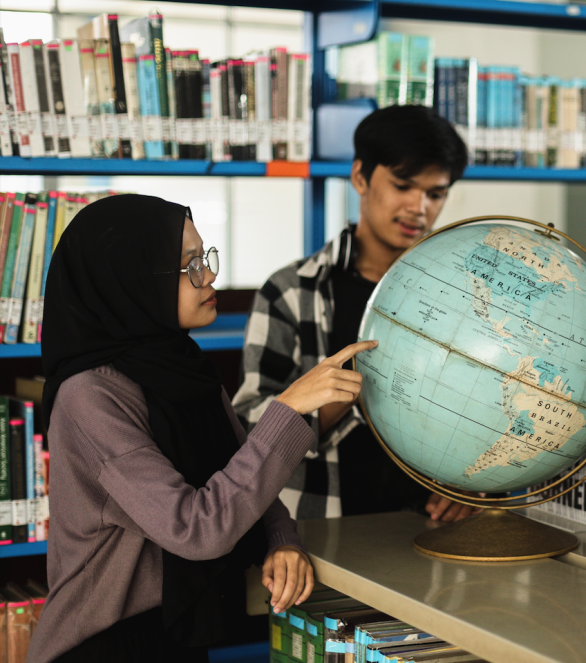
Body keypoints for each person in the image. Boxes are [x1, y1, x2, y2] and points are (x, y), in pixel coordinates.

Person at [30, 195, 375, 663]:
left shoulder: (182, 366)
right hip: (107, 644)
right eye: (189, 266)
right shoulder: (89, 399)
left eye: (205, 257)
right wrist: (289, 408)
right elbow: (197, 529)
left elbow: (243, 477)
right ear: (132, 284)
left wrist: (281, 539)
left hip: (177, 629)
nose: (209, 275)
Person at [233, 104, 474, 522]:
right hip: (321, 531)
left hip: (432, 528)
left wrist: (472, 484)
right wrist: (337, 396)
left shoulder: (471, 296)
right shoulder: (291, 292)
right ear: (360, 176)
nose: (420, 207)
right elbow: (246, 429)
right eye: (403, 186)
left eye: (436, 194)